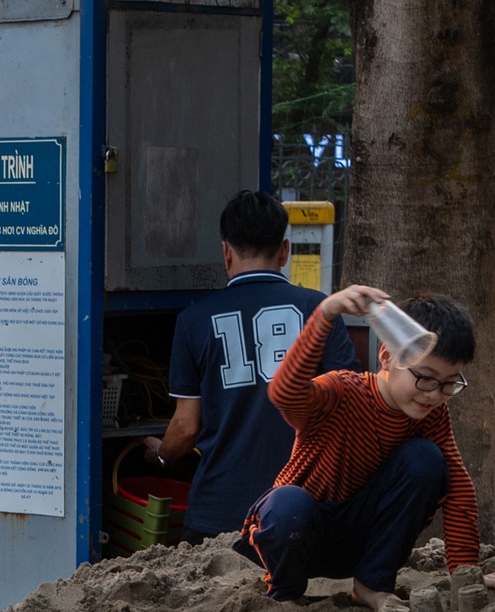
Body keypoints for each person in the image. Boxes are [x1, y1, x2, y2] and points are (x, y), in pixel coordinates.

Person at [242, 286, 488, 610]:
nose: (434, 394)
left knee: (426, 460)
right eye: (426, 378)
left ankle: (371, 585)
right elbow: (284, 393)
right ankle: (286, 592)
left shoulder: (432, 417)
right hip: (298, 533)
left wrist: (467, 575)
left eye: (448, 383)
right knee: (288, 503)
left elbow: (458, 491)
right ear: (386, 356)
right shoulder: (341, 391)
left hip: (362, 542)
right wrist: (325, 313)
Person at [145, 190, 355, 539]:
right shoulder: (320, 310)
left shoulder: (193, 321)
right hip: (299, 505)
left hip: (219, 513)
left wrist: (162, 456)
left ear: (226, 252)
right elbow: (348, 403)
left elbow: (185, 427)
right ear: (284, 251)